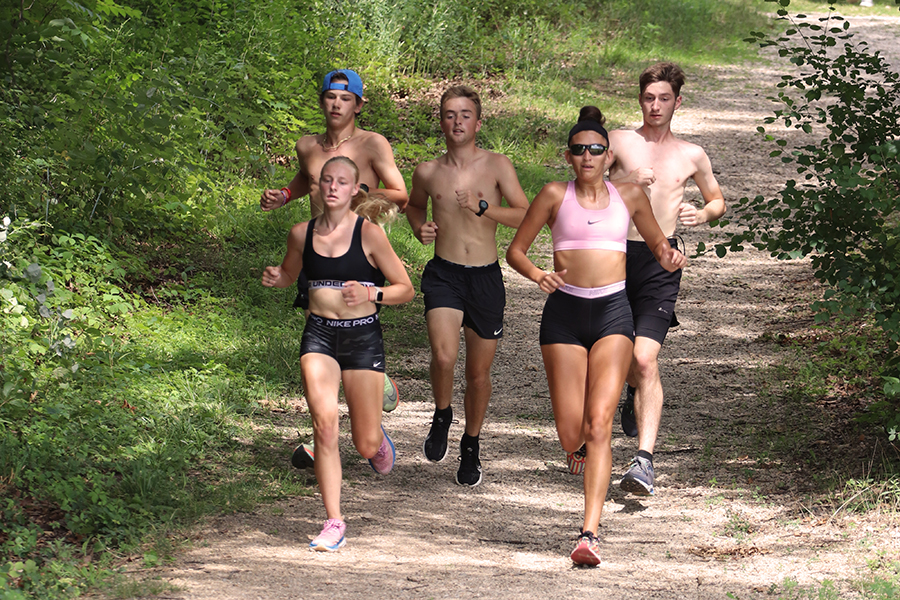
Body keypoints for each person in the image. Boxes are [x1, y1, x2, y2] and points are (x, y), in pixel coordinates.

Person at [506, 107, 686, 565]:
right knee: (572, 432)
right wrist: (537, 273)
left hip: (612, 313)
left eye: (597, 150)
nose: (588, 156)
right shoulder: (552, 194)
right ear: (568, 157)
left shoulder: (628, 195)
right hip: (563, 315)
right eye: (580, 150)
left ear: (609, 157)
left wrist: (670, 258)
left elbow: (658, 246)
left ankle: (589, 533)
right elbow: (516, 251)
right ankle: (578, 452)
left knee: (598, 424)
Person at [261, 156, 414, 552]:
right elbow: (291, 275)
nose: (331, 187)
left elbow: (405, 288)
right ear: (317, 187)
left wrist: (371, 293)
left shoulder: (369, 235)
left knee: (364, 445)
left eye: (341, 182)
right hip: (319, 336)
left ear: (354, 190)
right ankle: (334, 521)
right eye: (325, 180)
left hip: (362, 338)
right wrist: (279, 279)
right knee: (325, 424)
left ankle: (377, 436)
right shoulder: (301, 233)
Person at [260, 69, 408, 430]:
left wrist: (363, 195)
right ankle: (324, 428)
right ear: (322, 101)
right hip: (317, 248)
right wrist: (285, 195)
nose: (337, 104)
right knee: (319, 331)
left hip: (358, 250)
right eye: (331, 97)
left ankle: (369, 381)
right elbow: (305, 179)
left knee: (344, 328)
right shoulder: (307, 146)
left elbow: (402, 194)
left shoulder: (373, 144)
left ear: (358, 105)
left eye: (345, 98)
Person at [607, 62, 726, 497]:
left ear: (678, 101)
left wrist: (703, 212)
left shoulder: (691, 154)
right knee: (617, 355)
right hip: (613, 255)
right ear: (640, 100)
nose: (655, 106)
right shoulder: (619, 141)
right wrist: (622, 180)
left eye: (663, 98)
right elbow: (581, 185)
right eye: (648, 98)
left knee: (643, 360)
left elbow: (717, 201)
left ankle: (643, 461)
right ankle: (630, 394)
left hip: (662, 259)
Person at [406, 86, 528, 487]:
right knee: (443, 357)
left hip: (485, 278)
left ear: (478, 122)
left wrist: (482, 206)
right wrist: (418, 227)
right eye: (448, 114)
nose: (456, 121)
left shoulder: (497, 166)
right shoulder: (427, 171)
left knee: (477, 375)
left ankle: (471, 443)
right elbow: (414, 205)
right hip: (444, 274)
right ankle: (442, 413)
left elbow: (526, 215)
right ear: (440, 120)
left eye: (464, 114)